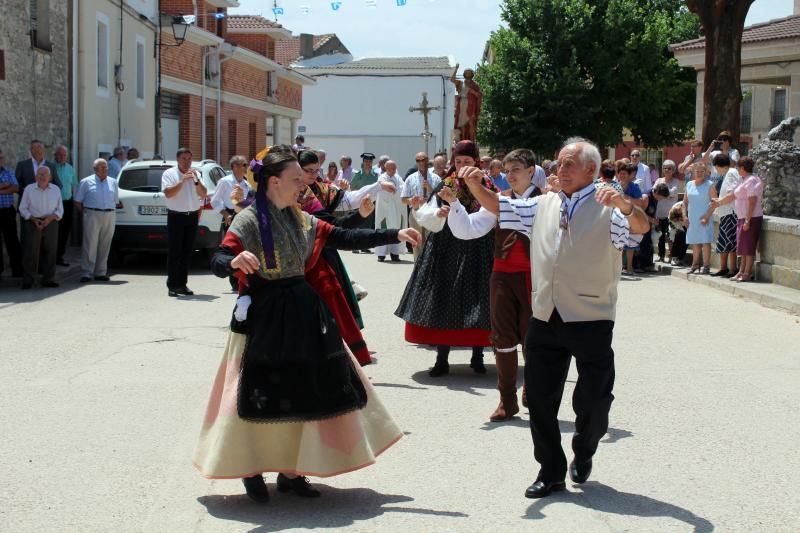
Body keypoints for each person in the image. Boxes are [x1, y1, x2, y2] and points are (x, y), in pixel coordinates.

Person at [193, 149, 419, 502]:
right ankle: (251, 467)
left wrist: (394, 233)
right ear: (274, 181)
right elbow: (219, 257)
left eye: (304, 178)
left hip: (302, 309)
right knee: (255, 392)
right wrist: (233, 260)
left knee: (304, 390)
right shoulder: (248, 220)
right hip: (264, 315)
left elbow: (342, 237)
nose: (305, 183)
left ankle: (291, 471)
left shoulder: (300, 218)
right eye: (297, 179)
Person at [463, 137, 649, 499]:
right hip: (546, 314)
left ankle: (585, 446)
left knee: (593, 398)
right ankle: (550, 470)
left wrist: (625, 205)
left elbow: (640, 227)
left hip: (591, 314)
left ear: (591, 170)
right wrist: (474, 184)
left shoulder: (607, 204)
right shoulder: (544, 203)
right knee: (541, 399)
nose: (559, 170)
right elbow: (500, 207)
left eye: (568, 164)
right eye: (558, 163)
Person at [444, 149, 541, 422]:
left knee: (533, 338)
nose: (510, 175)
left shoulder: (547, 200)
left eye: (516, 170)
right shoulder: (499, 199)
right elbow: (469, 230)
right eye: (507, 170)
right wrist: (454, 204)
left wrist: (476, 187)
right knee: (502, 337)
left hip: (535, 277)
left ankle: (532, 391)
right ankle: (507, 400)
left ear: (531, 171)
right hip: (502, 275)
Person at [395, 140, 497, 377]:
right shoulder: (446, 183)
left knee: (480, 298)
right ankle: (442, 358)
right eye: (459, 161)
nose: (462, 166)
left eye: (467, 162)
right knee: (444, 296)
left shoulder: (487, 184)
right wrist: (438, 213)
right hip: (447, 245)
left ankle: (478, 355)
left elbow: (495, 209)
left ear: (477, 162)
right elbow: (427, 212)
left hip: (480, 245)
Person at [161, 147, 207, 297]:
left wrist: (196, 181)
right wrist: (182, 181)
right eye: (184, 159)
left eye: (189, 158)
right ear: (178, 160)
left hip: (191, 216)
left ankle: (182, 284)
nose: (187, 162)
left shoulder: (196, 174)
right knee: (175, 252)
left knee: (187, 252)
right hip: (176, 217)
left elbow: (203, 193)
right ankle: (172, 285)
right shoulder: (169, 174)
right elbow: (168, 194)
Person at [74, 158, 119, 283]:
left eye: (106, 167)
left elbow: (115, 200)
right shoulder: (86, 182)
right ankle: (87, 272)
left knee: (105, 244)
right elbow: (78, 201)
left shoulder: (113, 182)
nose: (105, 169)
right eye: (102, 167)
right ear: (95, 169)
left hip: (109, 214)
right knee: (90, 244)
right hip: (92, 213)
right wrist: (86, 213)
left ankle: (100, 272)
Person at [19, 166, 63, 289]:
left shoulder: (55, 189)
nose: (41, 176)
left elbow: (60, 209)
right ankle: (28, 280)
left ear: (50, 177)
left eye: (44, 174)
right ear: (35, 176)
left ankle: (48, 279)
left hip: (51, 222)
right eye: (39, 174)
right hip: (33, 221)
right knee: (30, 251)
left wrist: (49, 219)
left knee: (50, 251)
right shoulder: (29, 189)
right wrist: (33, 218)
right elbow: (22, 208)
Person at [212, 155, 251, 290]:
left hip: (244, 214)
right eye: (243, 165)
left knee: (244, 246)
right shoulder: (225, 181)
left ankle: (241, 278)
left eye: (246, 165)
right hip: (230, 214)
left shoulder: (247, 183)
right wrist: (226, 214)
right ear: (234, 167)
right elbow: (215, 201)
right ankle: (234, 281)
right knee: (232, 248)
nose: (245, 168)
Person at [402, 152, 442, 262]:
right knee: (417, 241)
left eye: (423, 159)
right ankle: (417, 269)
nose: (420, 162)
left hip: (431, 212)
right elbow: (403, 199)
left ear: (427, 160)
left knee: (431, 242)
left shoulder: (436, 178)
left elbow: (441, 197)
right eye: (417, 160)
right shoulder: (410, 178)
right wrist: (412, 200)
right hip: (416, 211)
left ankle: (429, 269)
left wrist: (430, 189)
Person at [730, 156, 763, 282]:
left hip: (751, 218)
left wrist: (748, 221)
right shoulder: (745, 179)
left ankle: (747, 273)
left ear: (742, 168)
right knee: (743, 247)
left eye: (738, 167)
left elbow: (752, 200)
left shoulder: (751, 180)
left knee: (748, 247)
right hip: (743, 217)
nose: (737, 170)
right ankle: (741, 271)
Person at [708, 153, 741, 277]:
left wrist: (719, 202)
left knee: (730, 241)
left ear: (718, 165)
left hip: (731, 213)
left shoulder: (732, 173)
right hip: (725, 212)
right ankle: (723, 268)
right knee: (723, 241)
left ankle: (732, 269)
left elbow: (733, 192)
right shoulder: (728, 174)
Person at [683, 162, 718, 274]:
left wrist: (707, 216)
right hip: (692, 218)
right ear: (693, 172)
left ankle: (706, 266)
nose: (699, 173)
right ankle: (695, 264)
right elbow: (685, 202)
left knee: (705, 242)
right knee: (695, 242)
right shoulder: (689, 185)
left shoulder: (710, 185)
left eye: (701, 171)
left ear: (705, 173)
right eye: (697, 171)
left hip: (705, 218)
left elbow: (714, 202)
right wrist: (684, 216)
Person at [616, 161, 646, 275]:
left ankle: (629, 267)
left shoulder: (634, 187)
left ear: (629, 175)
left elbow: (640, 202)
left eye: (625, 173)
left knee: (630, 245)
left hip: (631, 217)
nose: (622, 176)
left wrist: (626, 198)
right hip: (617, 217)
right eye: (620, 173)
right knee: (618, 243)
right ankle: (618, 268)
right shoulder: (614, 185)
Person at [374, 161, 406, 262]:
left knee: (396, 230)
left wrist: (397, 190)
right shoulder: (382, 178)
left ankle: (395, 253)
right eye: (391, 168)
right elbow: (383, 191)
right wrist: (394, 190)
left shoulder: (398, 178)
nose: (393, 170)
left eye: (394, 168)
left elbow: (403, 188)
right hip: (385, 210)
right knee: (383, 230)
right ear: (386, 168)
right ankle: (381, 254)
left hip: (396, 210)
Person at [0, 149, 23, 279]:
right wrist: (5, 185)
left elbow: (16, 188)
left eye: (2, 158)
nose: (1, 161)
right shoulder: (7, 176)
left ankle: (17, 270)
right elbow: (10, 186)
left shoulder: (8, 172)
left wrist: (2, 190)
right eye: (0, 158)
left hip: (7, 211)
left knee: (12, 241)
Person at [53, 145, 78, 266]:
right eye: (59, 155)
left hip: (67, 203)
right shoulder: (50, 167)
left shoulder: (70, 168)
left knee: (64, 232)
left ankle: (59, 257)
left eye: (64, 155)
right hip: (54, 204)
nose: (61, 157)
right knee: (53, 232)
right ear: (55, 155)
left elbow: (74, 185)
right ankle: (50, 258)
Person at [653, 160, 680, 263]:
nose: (667, 170)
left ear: (673, 170)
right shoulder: (659, 180)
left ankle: (672, 256)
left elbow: (672, 192)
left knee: (671, 236)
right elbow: (654, 191)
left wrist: (663, 194)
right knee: (660, 236)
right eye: (665, 168)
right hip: (659, 214)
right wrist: (666, 195)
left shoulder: (676, 181)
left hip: (671, 215)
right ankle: (661, 256)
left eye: (669, 168)